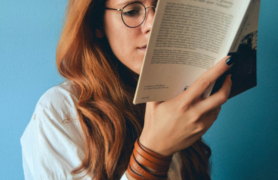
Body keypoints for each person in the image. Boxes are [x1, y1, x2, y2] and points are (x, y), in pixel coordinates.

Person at [20, 0, 235, 179]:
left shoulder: (175, 97)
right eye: (131, 11)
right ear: (97, 24)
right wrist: (153, 153)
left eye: (162, 8)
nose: (154, 24)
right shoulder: (59, 111)